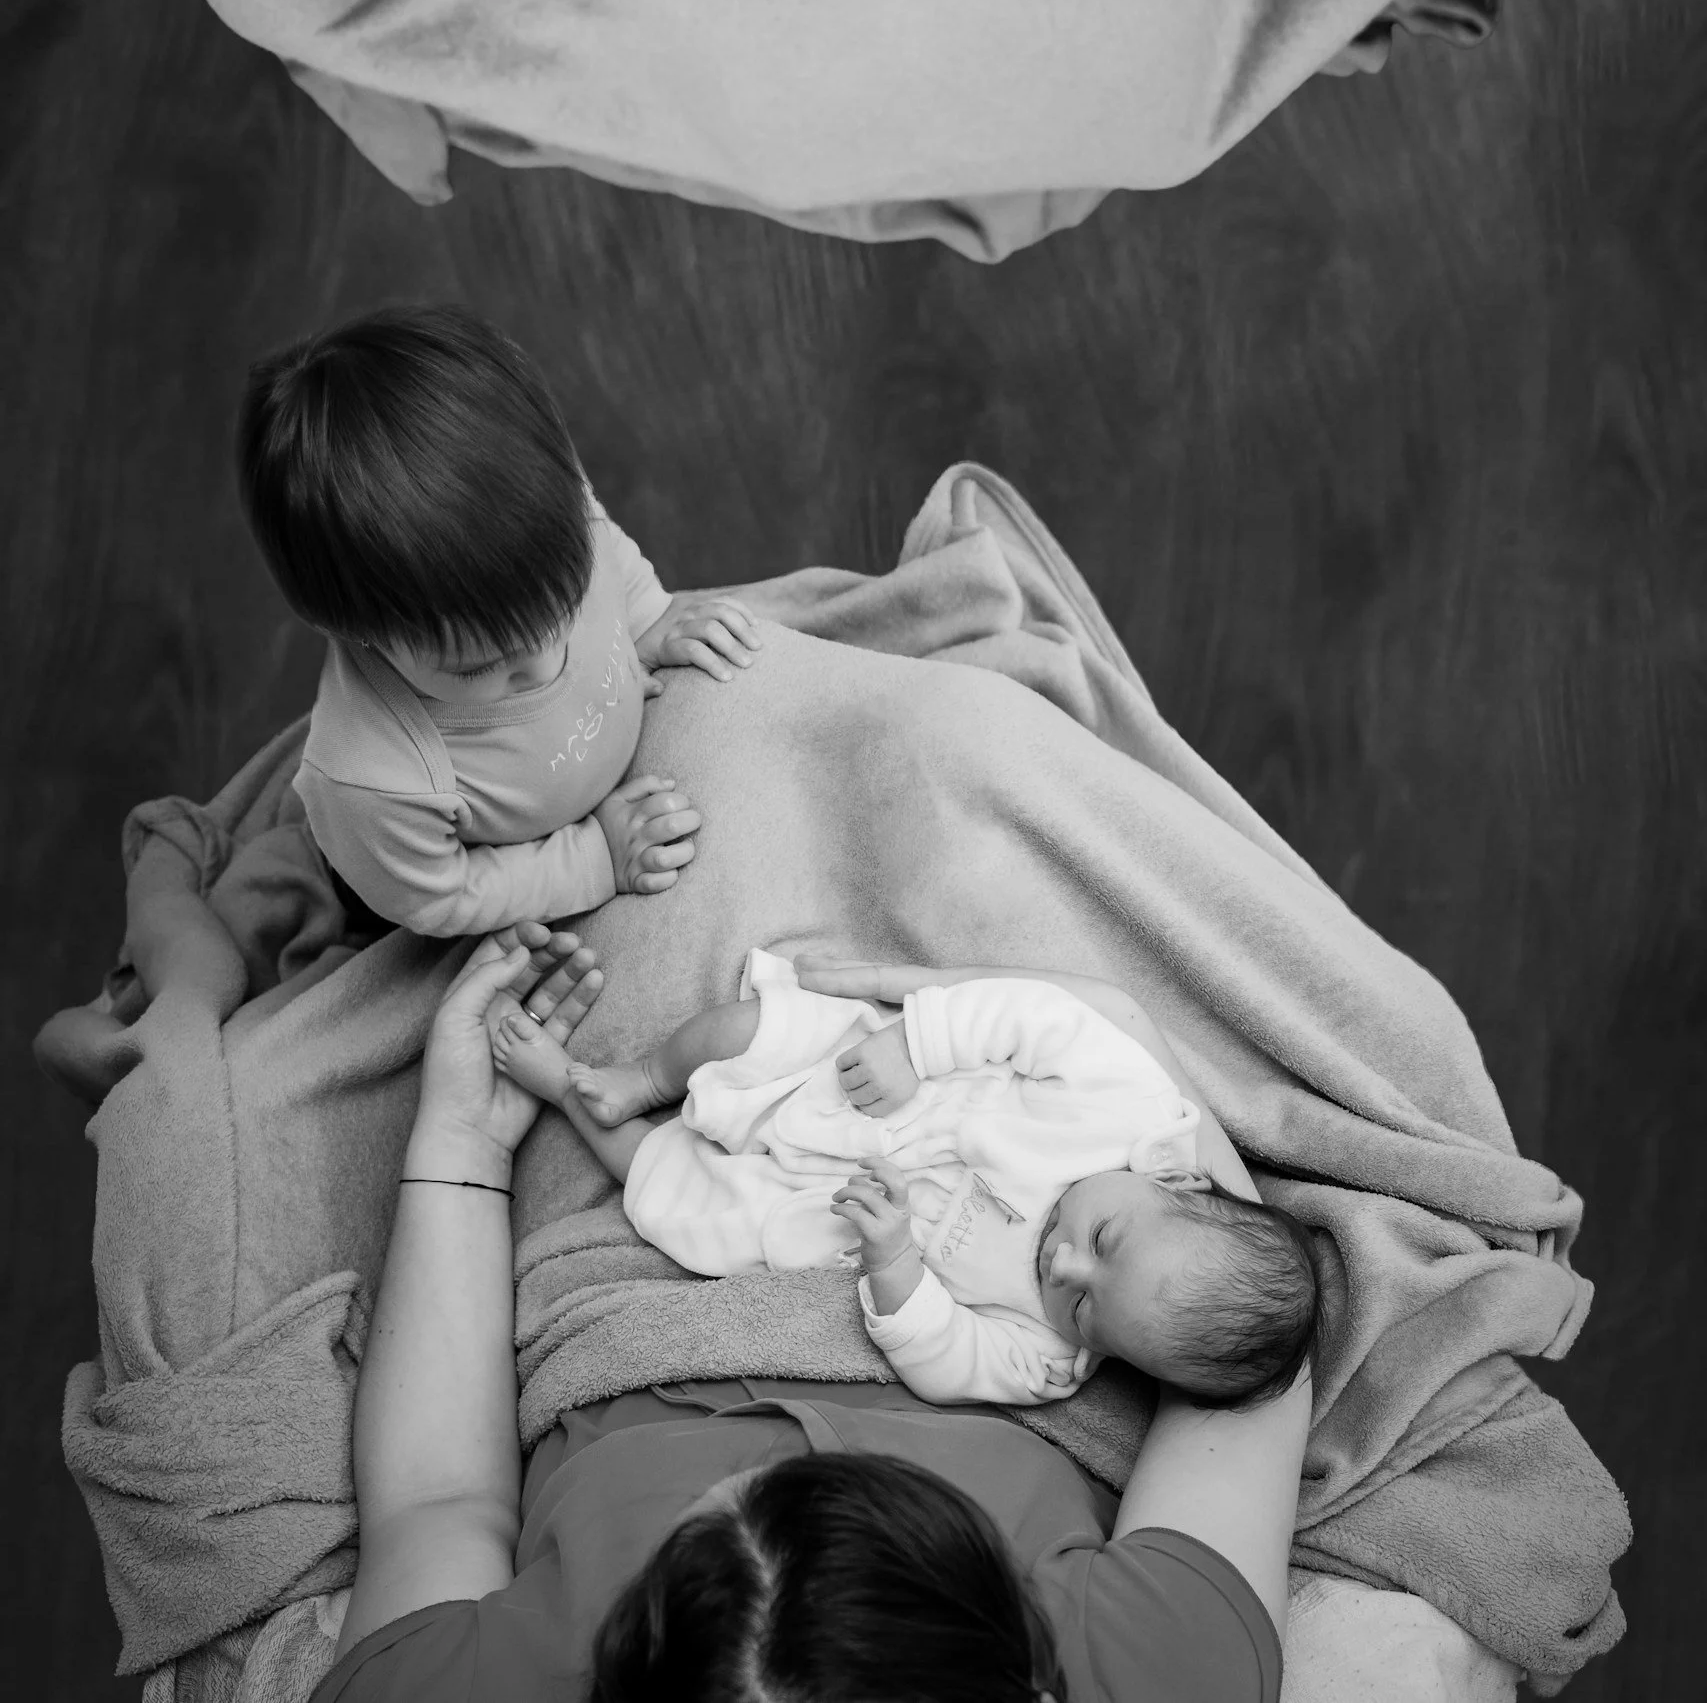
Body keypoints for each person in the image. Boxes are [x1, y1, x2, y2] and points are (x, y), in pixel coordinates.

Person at [310, 928, 1312, 1702]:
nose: (775, 1450)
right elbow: (1247, 1349)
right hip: (949, 1120)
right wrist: (1122, 1046)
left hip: (656, 1260)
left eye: (699, 1528)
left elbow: (439, 1499)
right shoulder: (1166, 1665)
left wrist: (462, 1143)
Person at [488, 945, 1319, 1408]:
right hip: (863, 1093)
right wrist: (911, 1047)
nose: (1062, 1265)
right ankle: (644, 1077)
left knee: (681, 1204)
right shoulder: (1131, 1109)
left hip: (828, 1217)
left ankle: (570, 1092)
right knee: (750, 1032)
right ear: (1180, 1185)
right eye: (1102, 1240)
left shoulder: (1043, 1359)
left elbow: (946, 1354)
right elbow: (1033, 1018)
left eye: (1087, 1307)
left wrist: (894, 1266)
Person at [235, 304, 762, 937]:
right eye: (482, 666)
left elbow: (604, 540)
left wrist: (648, 615)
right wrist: (592, 859)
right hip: (435, 880)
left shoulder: (548, 507)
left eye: (563, 605)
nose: (543, 660)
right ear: (356, 629)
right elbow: (440, 899)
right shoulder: (376, 781)